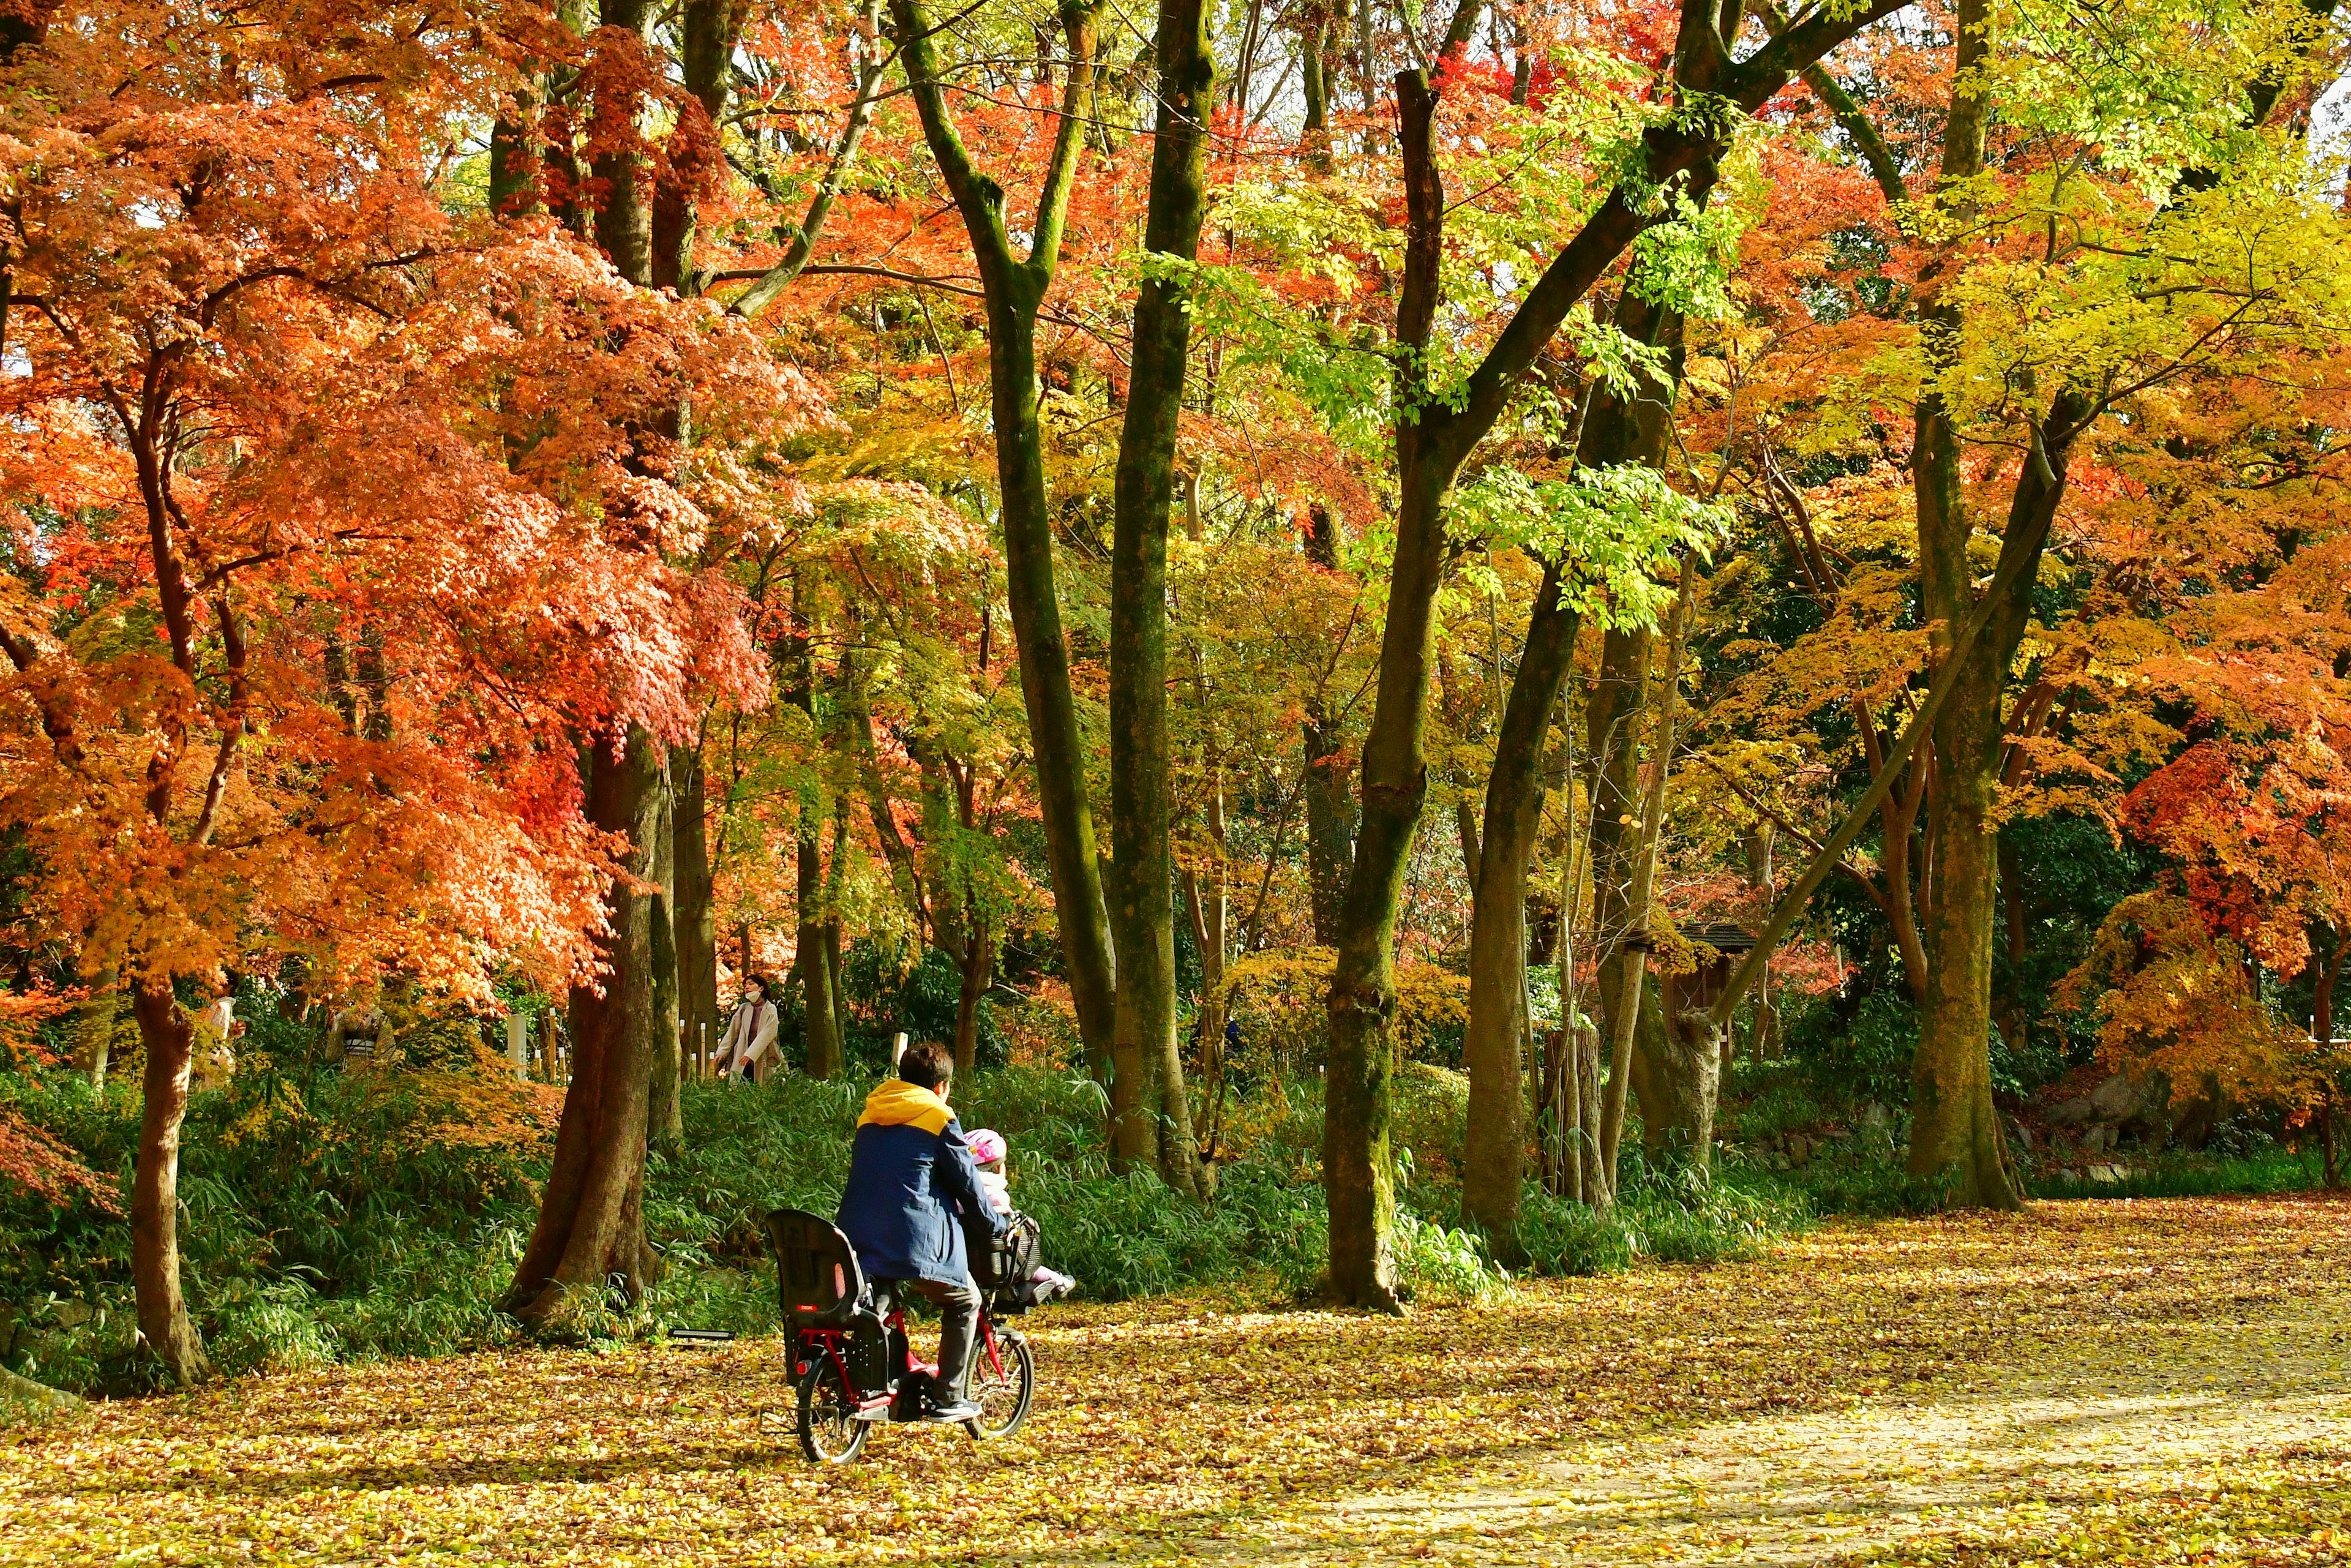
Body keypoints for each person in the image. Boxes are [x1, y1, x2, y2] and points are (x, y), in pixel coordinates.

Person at [836, 1041, 1006, 1422]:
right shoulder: (937, 1117)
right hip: (915, 1240)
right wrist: (996, 1225)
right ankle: (949, 1397)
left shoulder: (871, 1114)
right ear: (942, 1086)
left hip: (858, 1237)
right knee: (965, 1302)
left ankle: (882, 1387)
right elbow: (967, 1184)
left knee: (877, 1308)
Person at [962, 1127, 1077, 1300]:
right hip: (997, 1261)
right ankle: (1056, 1280)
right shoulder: (996, 1196)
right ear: (998, 1167)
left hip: (965, 1262)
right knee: (1026, 1260)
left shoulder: (956, 1195)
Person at [711, 976, 779, 1081]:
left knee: (762, 1086)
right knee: (739, 1085)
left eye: (751, 984)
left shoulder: (770, 1009)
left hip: (762, 1056)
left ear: (761, 988)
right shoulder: (743, 1009)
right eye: (745, 985)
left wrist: (750, 1054)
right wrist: (722, 1052)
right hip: (741, 1055)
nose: (747, 987)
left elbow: (767, 1034)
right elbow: (732, 1033)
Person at [190, 976, 243, 1092]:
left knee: (209, 1096)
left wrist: (206, 1059)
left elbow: (217, 1035)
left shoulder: (222, 1007)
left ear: (229, 987)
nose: (213, 986)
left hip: (215, 1058)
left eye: (218, 983)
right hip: (217, 1056)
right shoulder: (223, 1006)